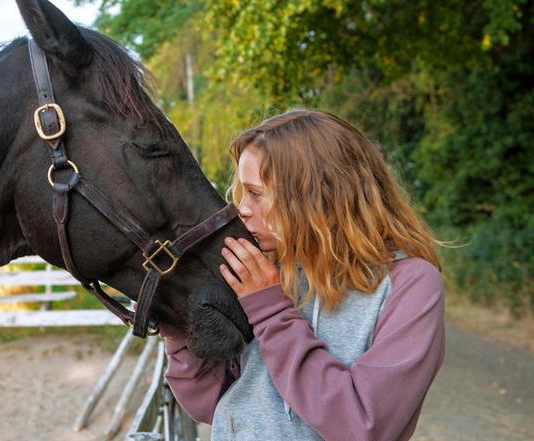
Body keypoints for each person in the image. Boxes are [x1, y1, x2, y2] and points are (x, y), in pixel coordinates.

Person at [160, 109, 445, 441]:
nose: (242, 209)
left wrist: (270, 310)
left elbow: (366, 426)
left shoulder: (411, 285)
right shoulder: (267, 269)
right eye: (241, 192)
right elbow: (213, 403)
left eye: (255, 193)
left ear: (319, 197)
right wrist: (177, 323)